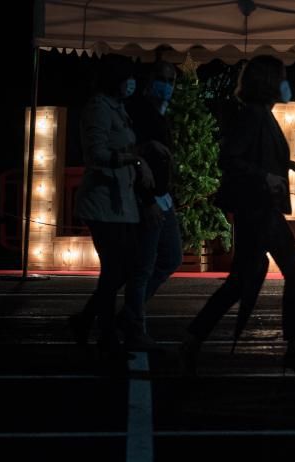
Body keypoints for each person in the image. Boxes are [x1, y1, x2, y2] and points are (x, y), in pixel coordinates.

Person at [178, 55, 295, 381]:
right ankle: (194, 340)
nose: (287, 84)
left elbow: (253, 154)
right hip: (258, 210)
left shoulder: (262, 115)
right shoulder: (255, 116)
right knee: (270, 278)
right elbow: (230, 157)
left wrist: (287, 165)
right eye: (283, 77)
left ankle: (194, 341)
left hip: (263, 210)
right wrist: (265, 177)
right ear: (270, 82)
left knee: (259, 279)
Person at [68, 54, 154, 360]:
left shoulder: (117, 108)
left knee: (121, 269)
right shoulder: (98, 109)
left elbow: (124, 145)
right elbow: (97, 154)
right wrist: (134, 159)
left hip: (120, 202)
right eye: (127, 77)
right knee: (116, 270)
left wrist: (138, 157)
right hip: (103, 202)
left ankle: (86, 321)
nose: (132, 83)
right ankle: (103, 333)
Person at [119, 60, 183, 350]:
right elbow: (133, 158)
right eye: (162, 78)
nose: (167, 85)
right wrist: (147, 201)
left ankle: (125, 317)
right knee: (143, 266)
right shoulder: (141, 112)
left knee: (170, 258)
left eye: (170, 79)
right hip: (149, 198)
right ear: (149, 81)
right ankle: (132, 326)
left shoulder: (159, 112)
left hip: (162, 197)